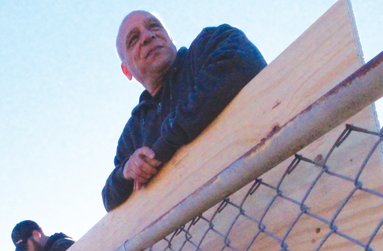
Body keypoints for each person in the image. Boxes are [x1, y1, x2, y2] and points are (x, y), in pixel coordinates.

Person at [101, 11, 267, 211]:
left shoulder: (210, 44)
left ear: (170, 37)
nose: (147, 36)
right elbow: (109, 197)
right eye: (133, 39)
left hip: (263, 185)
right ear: (126, 70)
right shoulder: (133, 132)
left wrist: (162, 148)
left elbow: (242, 62)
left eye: (154, 26)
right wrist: (127, 171)